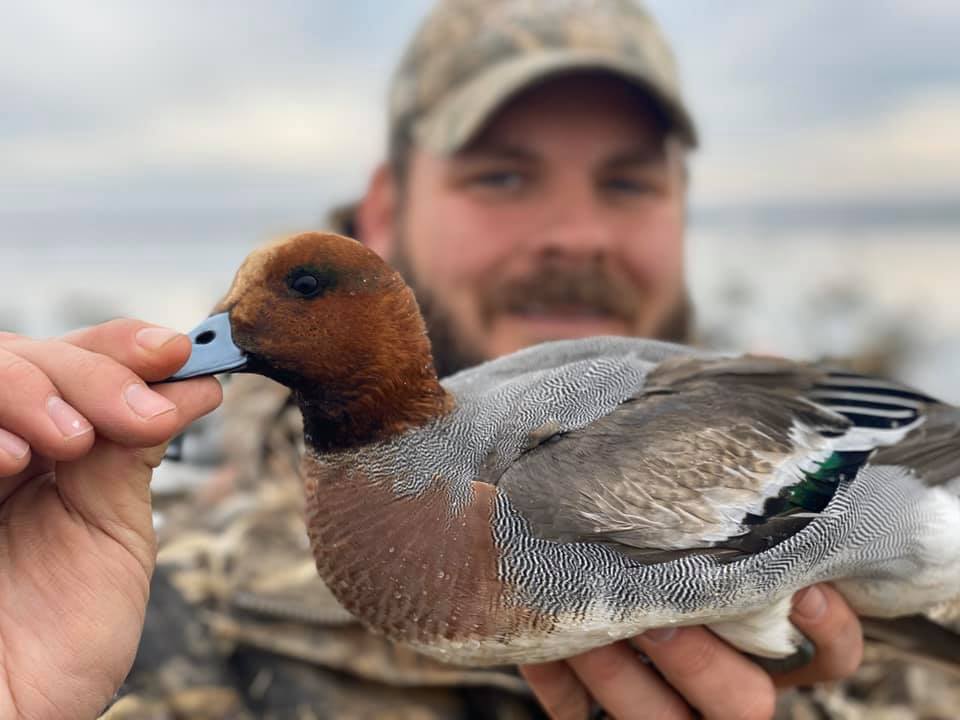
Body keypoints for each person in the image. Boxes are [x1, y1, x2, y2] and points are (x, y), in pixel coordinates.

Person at [0, 1, 866, 718]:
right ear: (382, 213)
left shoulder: (840, 519)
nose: (574, 234)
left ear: (682, 212)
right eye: (502, 176)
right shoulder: (143, 581)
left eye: (628, 182)